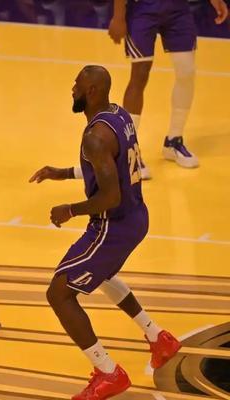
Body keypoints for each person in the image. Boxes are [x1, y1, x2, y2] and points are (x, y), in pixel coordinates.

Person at [29, 66, 181, 399]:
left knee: (59, 294)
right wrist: (63, 172)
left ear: (92, 91)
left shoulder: (94, 137)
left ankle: (108, 372)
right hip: (137, 215)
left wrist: (69, 210)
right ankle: (158, 338)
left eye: (77, 85)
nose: (72, 90)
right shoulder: (119, 115)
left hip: (113, 225)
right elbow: (112, 166)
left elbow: (110, 195)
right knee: (102, 274)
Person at [108, 0, 228, 178]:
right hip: (142, 8)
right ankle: (129, 150)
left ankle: (174, 140)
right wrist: (118, 17)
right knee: (140, 74)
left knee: (187, 72)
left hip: (177, 9)